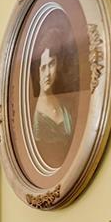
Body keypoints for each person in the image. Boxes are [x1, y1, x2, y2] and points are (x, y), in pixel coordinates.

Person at [29, 16, 78, 169]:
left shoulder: (66, 105)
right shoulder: (34, 114)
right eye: (43, 67)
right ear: (38, 71)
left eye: (51, 64)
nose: (47, 74)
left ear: (58, 65)